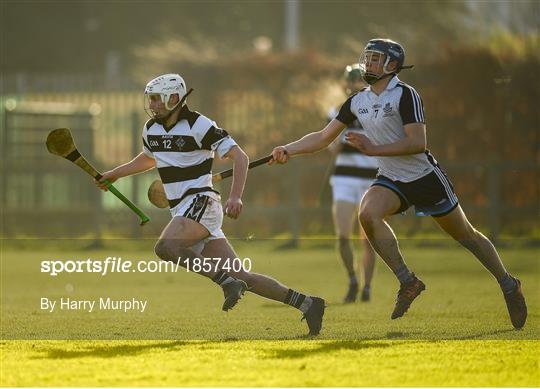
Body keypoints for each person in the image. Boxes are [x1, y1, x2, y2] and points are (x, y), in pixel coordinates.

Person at [270, 39, 527, 329]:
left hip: (424, 177)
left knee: (466, 236)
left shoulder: (406, 95)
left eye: (375, 59)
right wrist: (288, 149)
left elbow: (418, 143)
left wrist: (371, 149)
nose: (368, 64)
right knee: (367, 214)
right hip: (391, 178)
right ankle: (408, 281)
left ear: (392, 64)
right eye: (367, 58)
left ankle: (508, 285)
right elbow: (322, 136)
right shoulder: (358, 101)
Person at [96, 73, 325, 335]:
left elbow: (240, 157)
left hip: (201, 202)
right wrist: (114, 173)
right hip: (182, 209)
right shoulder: (151, 129)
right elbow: (148, 158)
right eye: (151, 99)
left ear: (174, 98)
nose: (154, 104)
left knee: (166, 247)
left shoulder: (200, 125)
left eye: (158, 99)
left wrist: (236, 196)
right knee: (244, 278)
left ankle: (226, 283)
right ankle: (308, 304)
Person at [327, 64, 378, 303]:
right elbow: (332, 148)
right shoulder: (338, 112)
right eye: (352, 82)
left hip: (371, 180)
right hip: (344, 179)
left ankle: (367, 287)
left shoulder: (377, 111)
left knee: (369, 238)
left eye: (360, 81)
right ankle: (352, 280)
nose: (356, 86)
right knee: (343, 236)